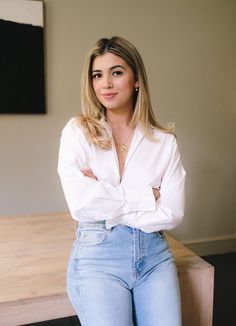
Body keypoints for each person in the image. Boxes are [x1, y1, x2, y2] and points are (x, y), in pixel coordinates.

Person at [58, 36, 186, 326]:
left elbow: (173, 212)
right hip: (96, 258)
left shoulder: (164, 142)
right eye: (97, 75)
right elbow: (81, 205)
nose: (106, 84)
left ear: (136, 80)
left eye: (116, 72)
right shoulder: (78, 132)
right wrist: (147, 195)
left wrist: (105, 193)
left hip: (155, 257)